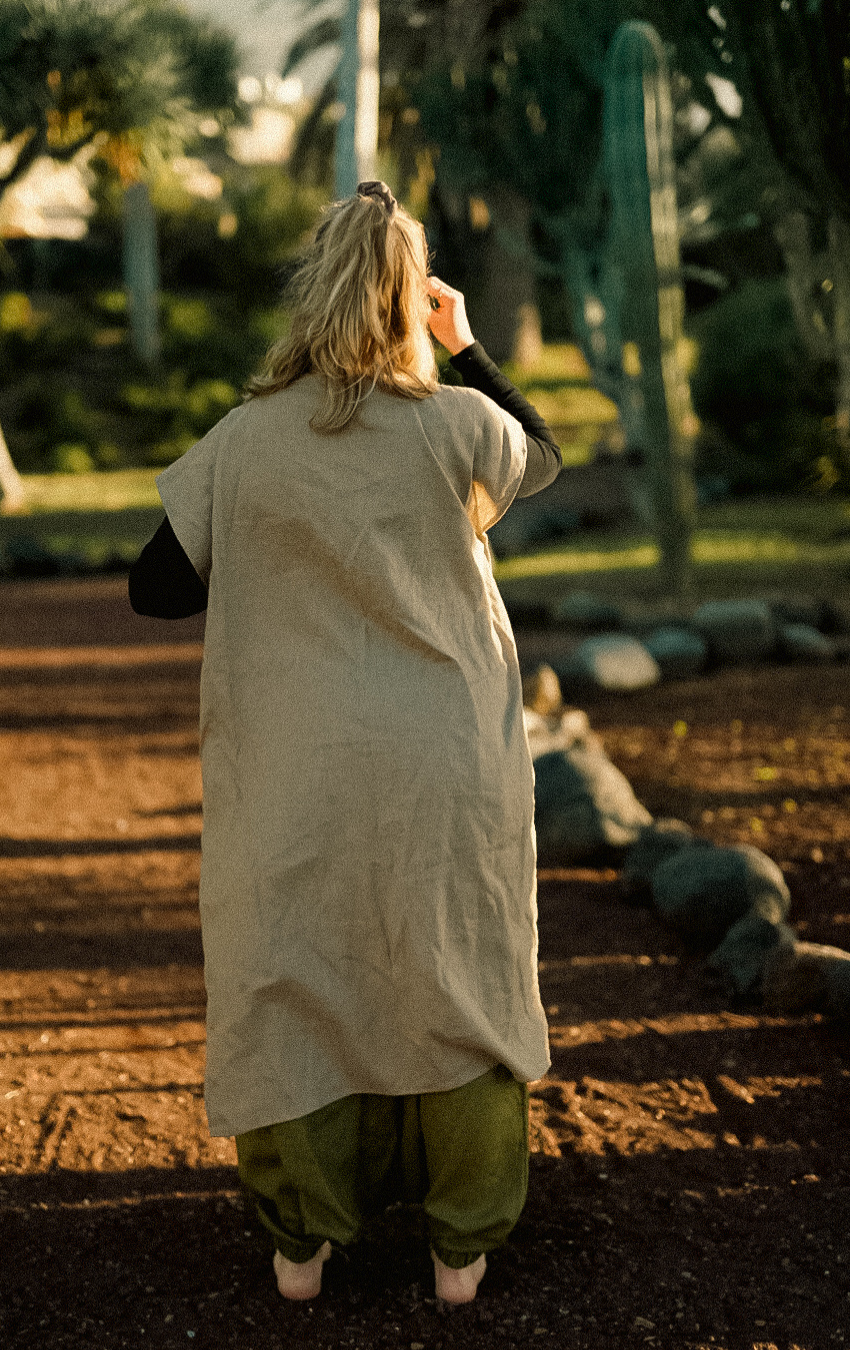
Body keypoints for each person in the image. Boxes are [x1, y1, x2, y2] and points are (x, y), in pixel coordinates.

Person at [129, 182, 560, 1304]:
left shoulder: (242, 441)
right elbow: (544, 453)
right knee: (456, 978)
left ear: (309, 289)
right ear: (413, 300)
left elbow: (153, 589)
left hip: (297, 771)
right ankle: (461, 1247)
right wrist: (464, 349)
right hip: (444, 763)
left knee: (296, 981)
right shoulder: (462, 427)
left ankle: (303, 1245)